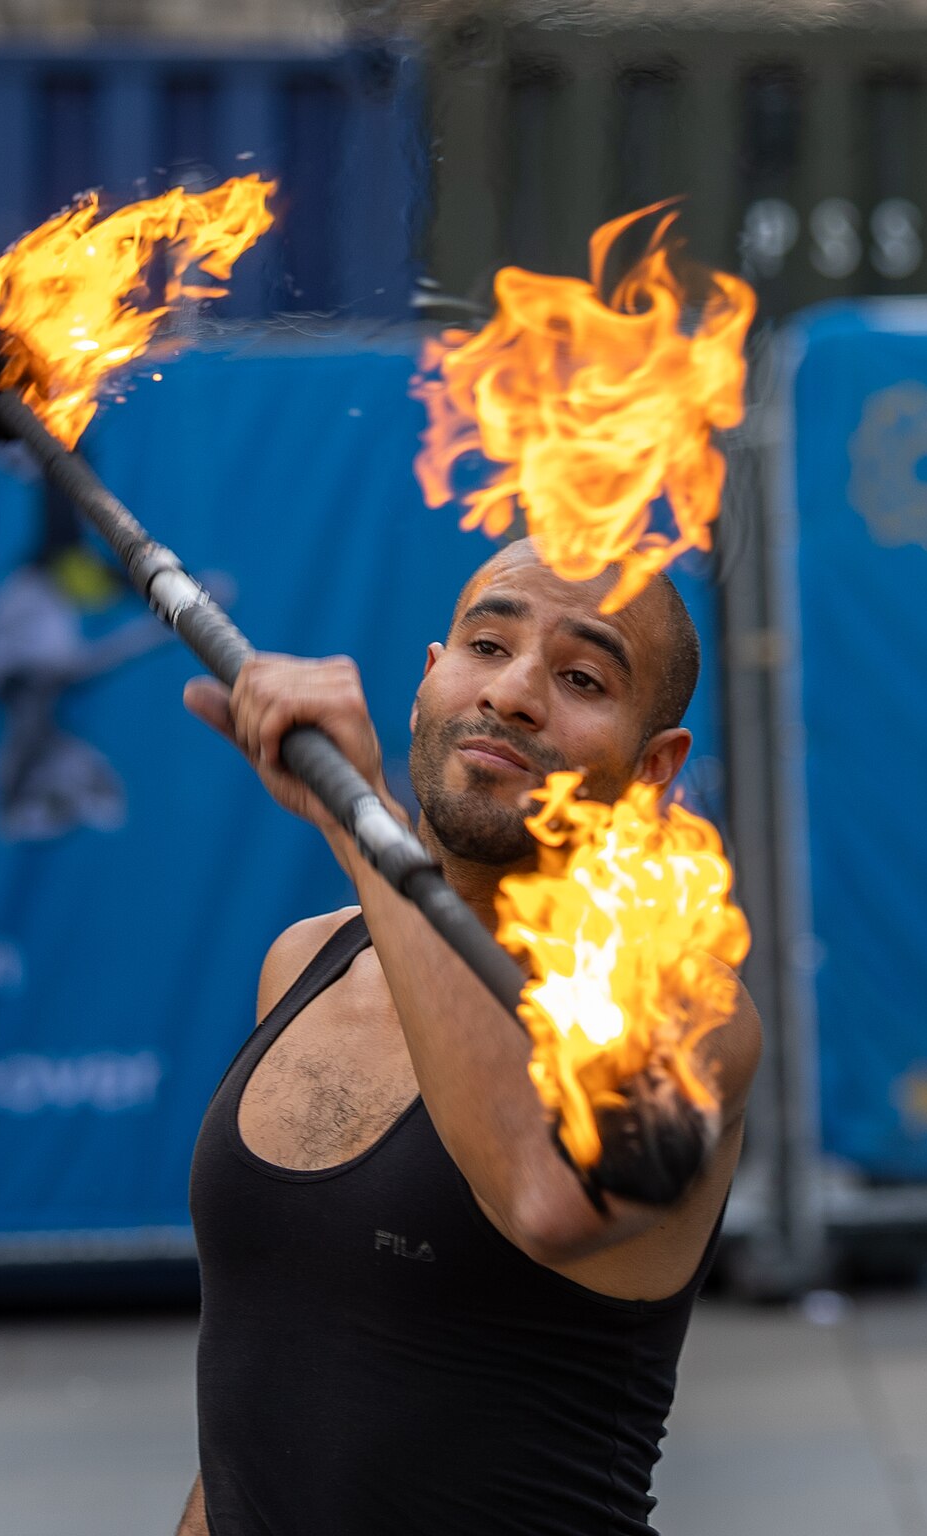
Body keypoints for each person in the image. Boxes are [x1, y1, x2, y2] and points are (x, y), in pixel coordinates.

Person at [172, 538, 762, 1536]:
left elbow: (542, 1197)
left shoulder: (680, 1014)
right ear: (427, 685)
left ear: (655, 768)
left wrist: (363, 826)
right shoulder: (303, 962)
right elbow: (250, 1443)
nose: (517, 693)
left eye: (581, 677)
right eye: (488, 647)